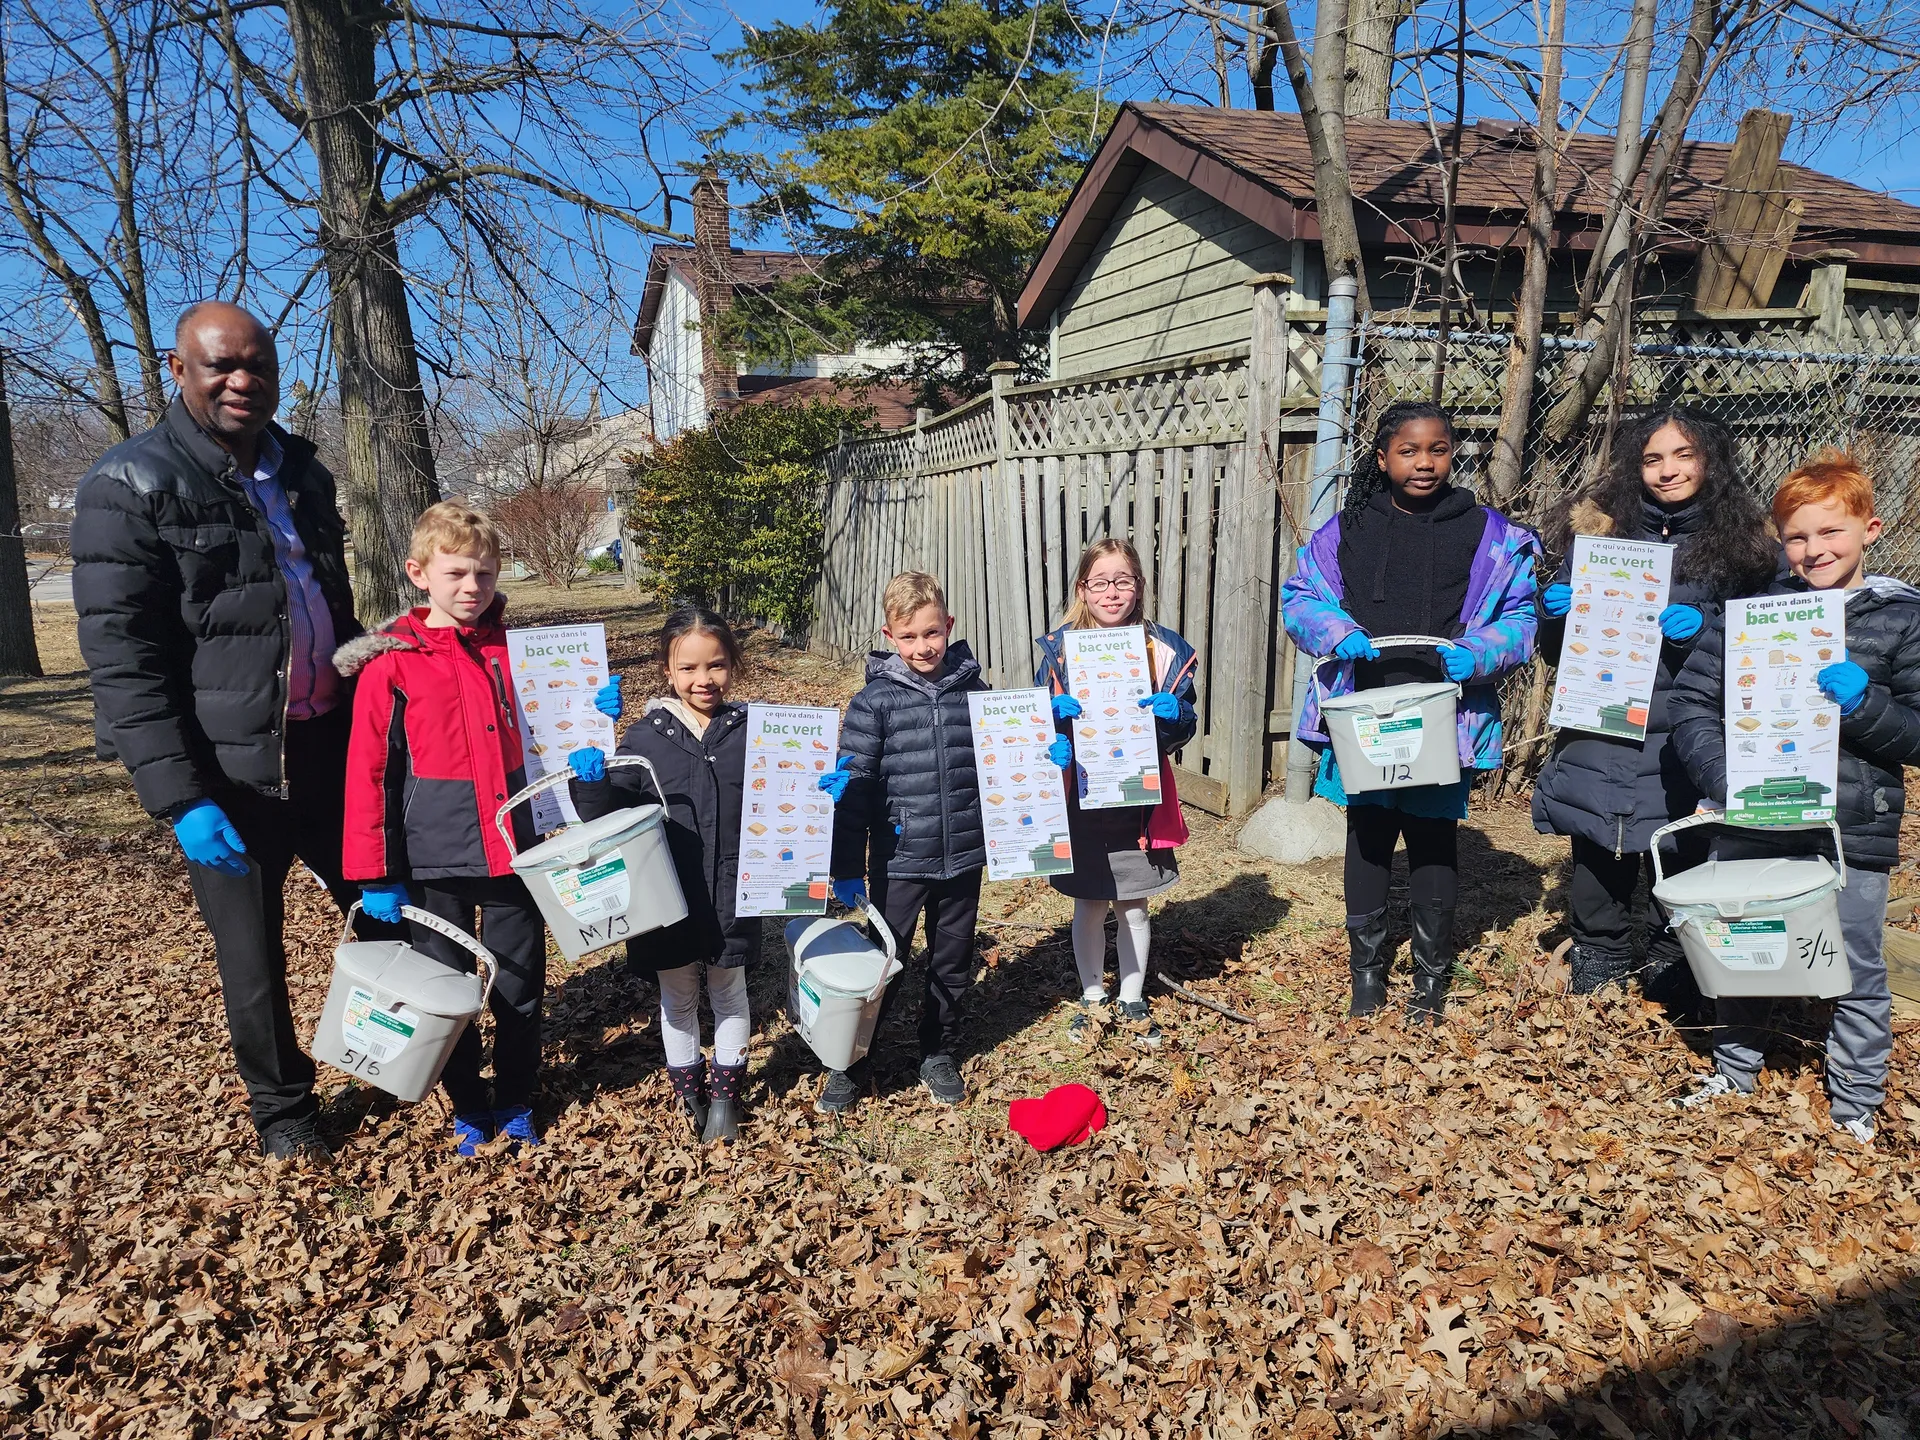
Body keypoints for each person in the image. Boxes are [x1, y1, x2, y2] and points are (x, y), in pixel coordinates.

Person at [72, 301, 381, 1161]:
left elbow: (327, 607)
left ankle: (398, 1055)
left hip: (327, 750)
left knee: (390, 909)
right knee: (253, 958)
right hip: (228, 774)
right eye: (221, 366)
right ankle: (284, 1111)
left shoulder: (303, 473)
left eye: (259, 366)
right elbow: (124, 661)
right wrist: (179, 798)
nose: (243, 381)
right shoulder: (128, 486)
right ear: (179, 371)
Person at [1668, 454, 1920, 1144]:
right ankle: (1734, 1068)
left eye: (1831, 532)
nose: (1815, 550)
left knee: (1857, 963)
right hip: (1754, 813)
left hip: (1850, 829)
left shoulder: (1901, 619)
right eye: (1798, 537)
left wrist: (1865, 704)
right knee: (1742, 944)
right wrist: (1728, 782)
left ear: (1870, 529)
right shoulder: (1750, 615)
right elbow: (1692, 705)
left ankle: (1856, 1101)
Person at [1281, 401, 1539, 1023]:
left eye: (1438, 449)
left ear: (1453, 454)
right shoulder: (1344, 532)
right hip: (1361, 714)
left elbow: (1521, 620)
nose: (1424, 462)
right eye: (1408, 450)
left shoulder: (1490, 536)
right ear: (1382, 458)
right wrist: (1334, 631)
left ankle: (1429, 981)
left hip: (1445, 719)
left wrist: (1477, 654)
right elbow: (1300, 598)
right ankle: (1366, 977)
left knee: (1431, 843)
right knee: (1367, 839)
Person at [1532, 407, 1779, 1006]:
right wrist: (1557, 613)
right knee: (1596, 836)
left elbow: (1768, 647)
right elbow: (1555, 652)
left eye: (1682, 455)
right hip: (1604, 722)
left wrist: (1708, 627)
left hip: (1688, 728)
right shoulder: (1602, 538)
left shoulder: (1750, 548)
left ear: (1711, 460)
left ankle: (1675, 954)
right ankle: (1601, 953)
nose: (1667, 471)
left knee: (1683, 839)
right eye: (1652, 459)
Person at [334, 503, 547, 1155]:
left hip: (514, 849)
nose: (472, 587)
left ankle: (515, 1100)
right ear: (418, 573)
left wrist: (593, 711)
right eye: (456, 573)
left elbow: (553, 731)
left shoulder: (517, 651)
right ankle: (468, 1106)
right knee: (446, 991)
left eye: (484, 573)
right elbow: (368, 770)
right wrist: (373, 872)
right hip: (431, 858)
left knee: (519, 986)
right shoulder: (392, 661)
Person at [567, 607, 759, 1144]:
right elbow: (606, 817)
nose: (704, 680)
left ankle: (725, 1098)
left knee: (729, 991)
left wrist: (821, 791)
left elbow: (782, 802)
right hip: (667, 896)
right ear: (668, 671)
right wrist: (593, 780)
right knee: (677, 998)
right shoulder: (646, 739)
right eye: (689, 668)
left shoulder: (751, 733)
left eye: (717, 666)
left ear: (733, 666)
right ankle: (690, 1091)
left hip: (730, 891)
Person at [815, 572, 989, 1112]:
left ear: (949, 626)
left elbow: (1005, 767)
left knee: (953, 957)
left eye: (932, 633)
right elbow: (855, 792)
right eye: (909, 637)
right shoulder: (873, 704)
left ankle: (936, 1047)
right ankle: (854, 1058)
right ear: (889, 635)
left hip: (963, 853)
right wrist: (846, 864)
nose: (923, 647)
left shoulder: (977, 694)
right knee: (882, 959)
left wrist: (1042, 755)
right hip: (899, 859)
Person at [1035, 538, 1198, 1048]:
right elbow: (1037, 721)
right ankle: (1091, 995)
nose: (1111, 592)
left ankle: (1131, 996)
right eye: (1099, 582)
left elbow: (1186, 721)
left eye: (1122, 580)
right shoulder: (1060, 648)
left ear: (1139, 587)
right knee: (1088, 901)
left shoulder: (1163, 648)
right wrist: (1052, 731)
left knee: (1132, 902)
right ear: (1082, 589)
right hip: (1081, 792)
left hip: (1137, 798)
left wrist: (1173, 720)